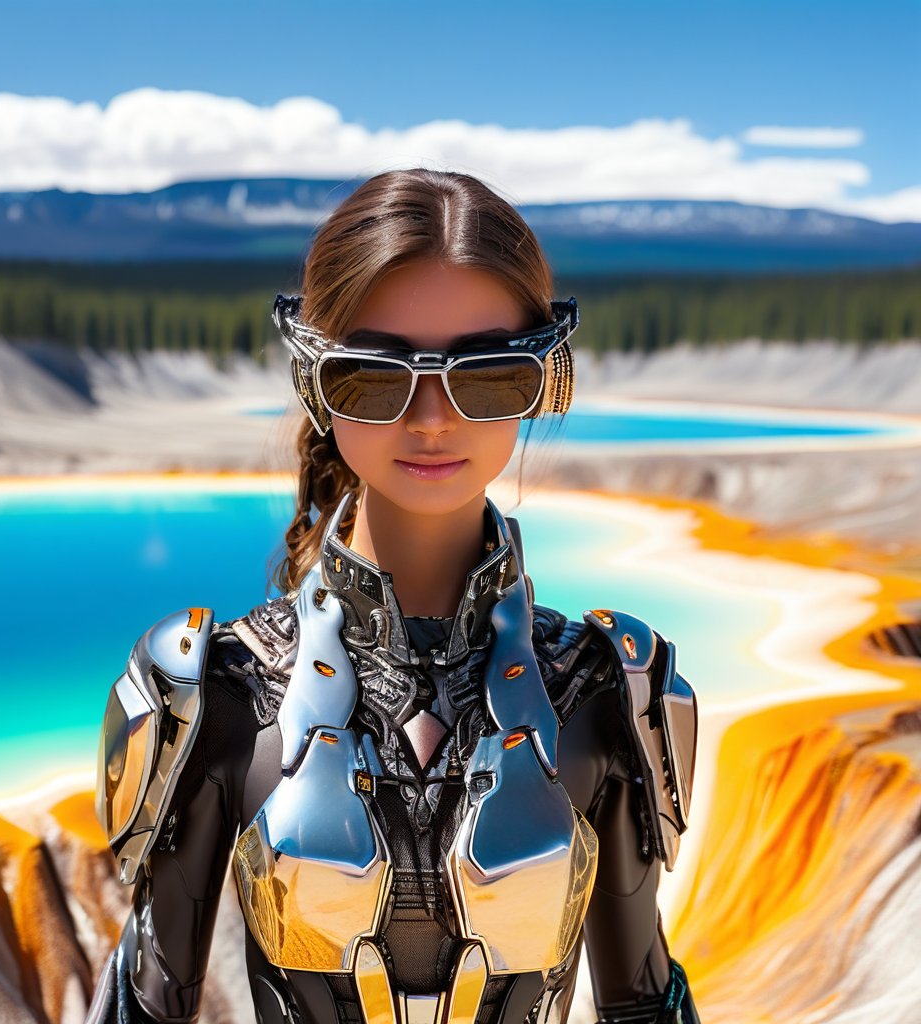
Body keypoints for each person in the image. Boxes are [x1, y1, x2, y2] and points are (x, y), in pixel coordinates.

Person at [86, 169, 700, 1024]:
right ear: (315, 380)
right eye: (374, 378)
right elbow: (148, 1006)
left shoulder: (611, 690)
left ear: (543, 381)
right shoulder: (210, 690)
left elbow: (640, 1003)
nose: (432, 417)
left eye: (486, 376)